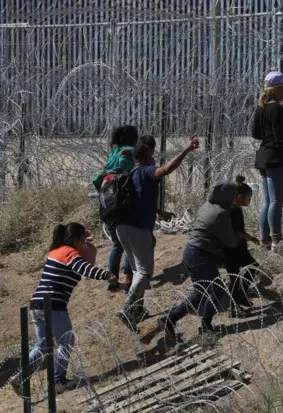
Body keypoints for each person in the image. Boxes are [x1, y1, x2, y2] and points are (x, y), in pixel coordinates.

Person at [8, 223, 117, 395]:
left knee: (42, 347)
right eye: (81, 241)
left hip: (36, 304)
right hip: (53, 304)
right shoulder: (68, 252)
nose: (83, 245)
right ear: (74, 240)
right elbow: (85, 269)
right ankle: (58, 381)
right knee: (67, 341)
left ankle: (19, 376)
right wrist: (107, 275)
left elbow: (82, 262)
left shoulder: (56, 252)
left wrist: (86, 241)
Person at [116, 136, 200, 331]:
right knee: (145, 273)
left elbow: (139, 200)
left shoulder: (132, 174)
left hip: (122, 228)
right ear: (146, 156)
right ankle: (127, 309)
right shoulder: (146, 171)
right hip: (138, 228)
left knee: (138, 272)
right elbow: (167, 169)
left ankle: (136, 313)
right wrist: (187, 150)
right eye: (152, 156)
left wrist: (160, 212)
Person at [159, 180, 243, 345]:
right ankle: (194, 323)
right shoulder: (221, 213)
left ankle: (182, 320)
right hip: (200, 255)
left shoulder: (207, 205)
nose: (236, 199)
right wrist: (241, 240)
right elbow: (230, 240)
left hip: (192, 252)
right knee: (211, 291)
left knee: (206, 292)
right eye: (234, 196)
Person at [252, 71, 283, 252]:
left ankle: (264, 239)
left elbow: (256, 133)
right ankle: (276, 240)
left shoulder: (262, 107)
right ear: (278, 89)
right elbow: (282, 136)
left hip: (265, 157)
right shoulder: (276, 109)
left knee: (268, 201)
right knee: (276, 202)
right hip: (276, 159)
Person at [93, 125, 138, 290]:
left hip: (108, 202)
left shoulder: (114, 152)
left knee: (117, 244)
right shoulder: (128, 151)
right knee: (128, 242)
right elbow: (130, 172)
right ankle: (128, 277)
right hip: (123, 202)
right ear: (134, 138)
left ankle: (112, 278)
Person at [225, 175, 260, 317]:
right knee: (239, 275)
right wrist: (251, 238)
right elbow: (237, 232)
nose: (249, 200)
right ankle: (236, 303)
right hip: (232, 249)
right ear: (238, 197)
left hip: (236, 248)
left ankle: (238, 298)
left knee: (247, 270)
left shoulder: (235, 209)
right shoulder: (233, 210)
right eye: (248, 197)